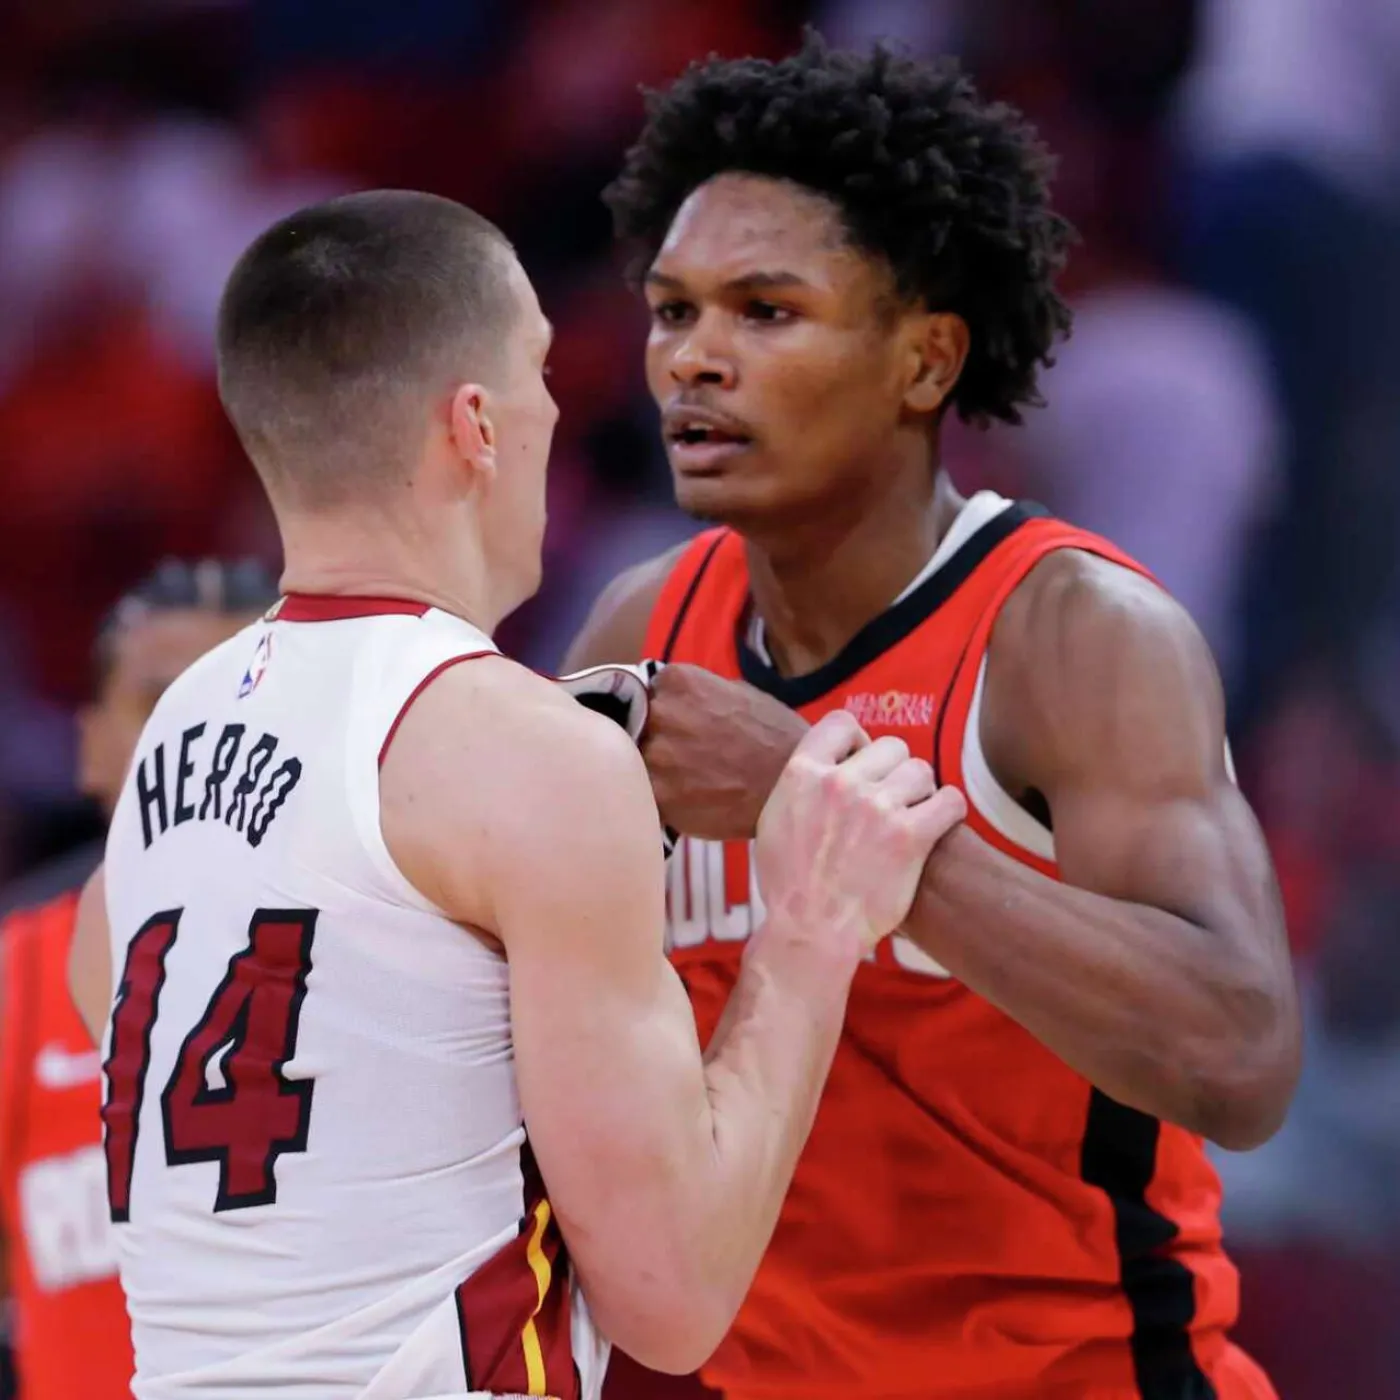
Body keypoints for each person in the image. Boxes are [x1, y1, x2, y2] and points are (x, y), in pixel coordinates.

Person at [64, 190, 965, 1400]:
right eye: (538, 367)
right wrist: (807, 923)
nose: (559, 406)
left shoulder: (174, 730)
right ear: (477, 424)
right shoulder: (524, 752)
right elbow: (673, 1299)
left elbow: (113, 983)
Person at [566, 36, 1302, 1400]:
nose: (694, 362)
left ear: (924, 361)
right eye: (674, 312)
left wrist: (836, 817)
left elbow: (1240, 1054)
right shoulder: (636, 633)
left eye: (765, 312)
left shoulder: (1072, 631)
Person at [0, 558, 278, 1400]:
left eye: (239, 696)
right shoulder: (15, 978)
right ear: (90, 746)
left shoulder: (401, 953)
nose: (201, 736)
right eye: (162, 703)